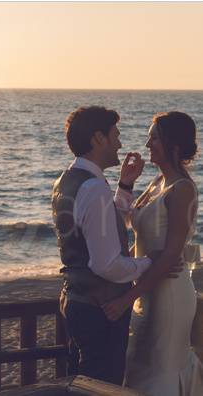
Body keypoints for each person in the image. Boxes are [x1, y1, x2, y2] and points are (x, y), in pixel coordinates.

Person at [51, 106, 181, 385]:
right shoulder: (94, 188)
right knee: (102, 385)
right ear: (98, 139)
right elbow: (106, 264)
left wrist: (124, 185)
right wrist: (149, 262)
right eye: (115, 135)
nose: (120, 143)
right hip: (100, 308)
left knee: (80, 384)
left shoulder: (67, 180)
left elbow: (104, 230)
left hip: (75, 299)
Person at [103, 111, 203, 395]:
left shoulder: (182, 188)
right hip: (146, 291)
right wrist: (126, 182)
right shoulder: (156, 183)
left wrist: (126, 298)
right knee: (136, 368)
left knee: (160, 371)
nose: (148, 145)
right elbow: (129, 227)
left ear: (172, 145)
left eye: (154, 138)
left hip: (169, 294)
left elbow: (171, 255)